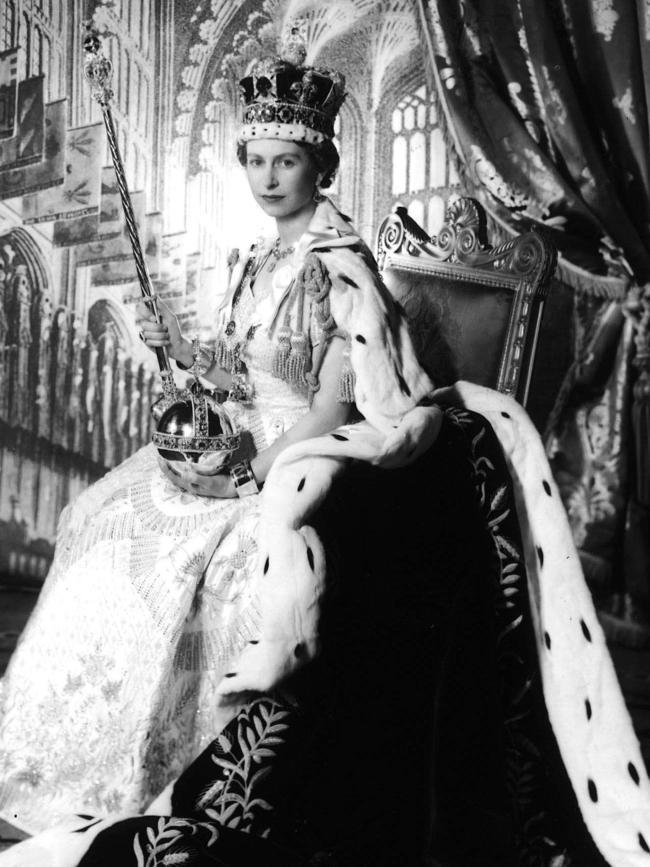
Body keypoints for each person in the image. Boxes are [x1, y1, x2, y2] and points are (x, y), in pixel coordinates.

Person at [1, 32, 650, 867]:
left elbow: (335, 401)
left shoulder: (340, 267)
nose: (269, 179)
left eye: (287, 162)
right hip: (239, 447)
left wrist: (250, 472)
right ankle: (65, 758)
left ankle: (167, 770)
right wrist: (186, 349)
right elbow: (242, 368)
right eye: (257, 161)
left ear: (322, 165)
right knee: (98, 513)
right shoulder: (256, 259)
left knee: (195, 560)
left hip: (303, 456)